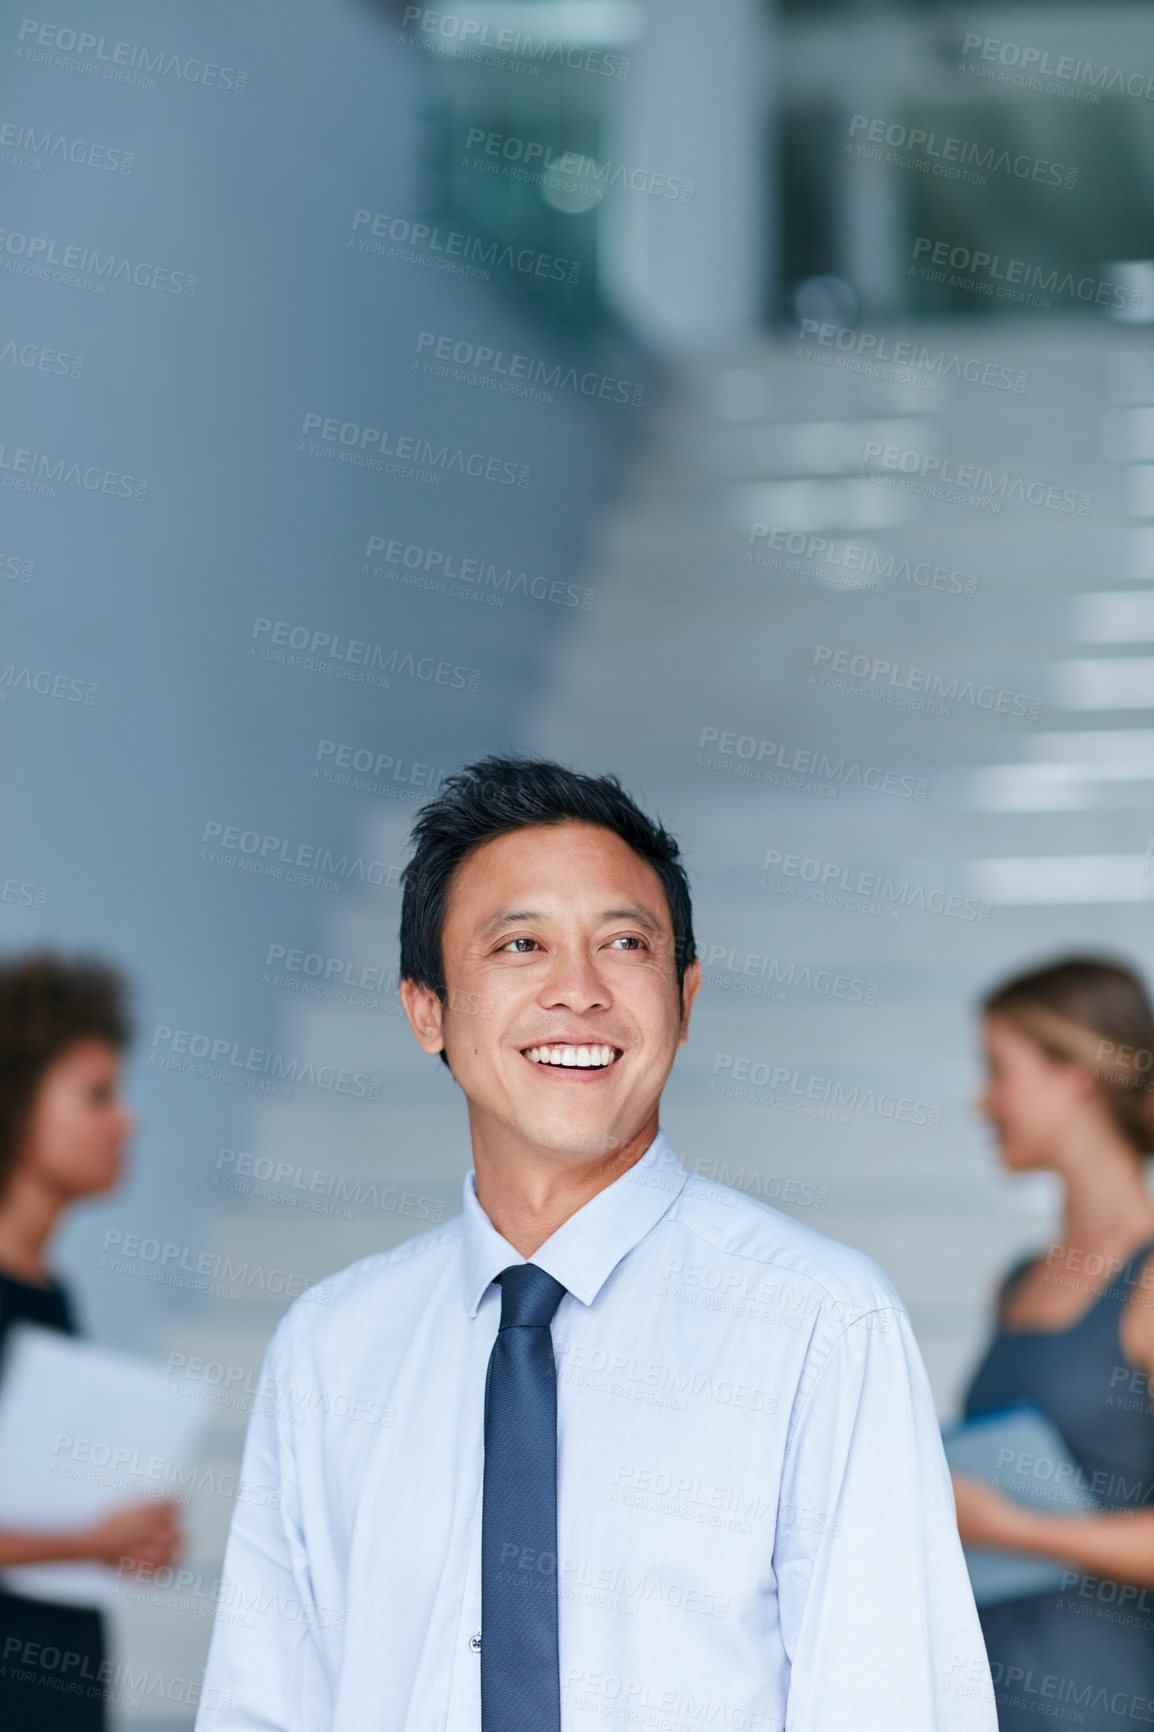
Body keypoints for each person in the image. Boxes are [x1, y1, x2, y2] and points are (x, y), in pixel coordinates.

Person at [196, 755, 995, 1730]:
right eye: (519, 944)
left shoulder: (818, 1322)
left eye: (622, 943)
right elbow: (265, 1702)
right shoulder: (329, 1345)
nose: (576, 991)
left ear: (684, 996)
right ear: (425, 1009)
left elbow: (890, 1702)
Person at [952, 956, 1154, 1730]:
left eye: (998, 1069)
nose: (983, 1101)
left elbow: (1001, 1518)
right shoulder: (1018, 1282)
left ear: (1077, 1075)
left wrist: (1013, 1528)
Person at [0, 952, 180, 1730]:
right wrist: (89, 1538)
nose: (126, 1120)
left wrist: (120, 1538)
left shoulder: (49, 1290)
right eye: (96, 1096)